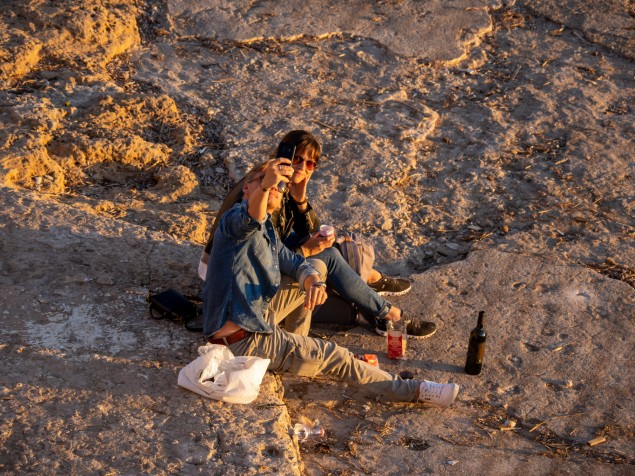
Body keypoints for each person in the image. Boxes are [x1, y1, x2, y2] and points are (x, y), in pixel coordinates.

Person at [201, 158, 459, 407]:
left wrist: (313, 281)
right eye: (265, 180)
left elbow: (292, 261)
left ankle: (300, 347)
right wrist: (267, 184)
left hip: (257, 318)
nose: (277, 188)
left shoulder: (267, 227)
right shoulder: (235, 222)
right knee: (336, 357)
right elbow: (250, 217)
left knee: (318, 267)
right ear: (246, 187)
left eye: (281, 185)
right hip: (244, 341)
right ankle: (415, 390)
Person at [200, 131, 438, 339]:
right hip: (236, 280)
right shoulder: (265, 188)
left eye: (310, 163)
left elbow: (306, 231)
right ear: (283, 155)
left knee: (327, 257)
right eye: (297, 159)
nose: (302, 167)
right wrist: (305, 251)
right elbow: (261, 255)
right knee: (326, 261)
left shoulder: (283, 185)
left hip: (260, 265)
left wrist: (300, 196)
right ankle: (386, 312)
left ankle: (376, 298)